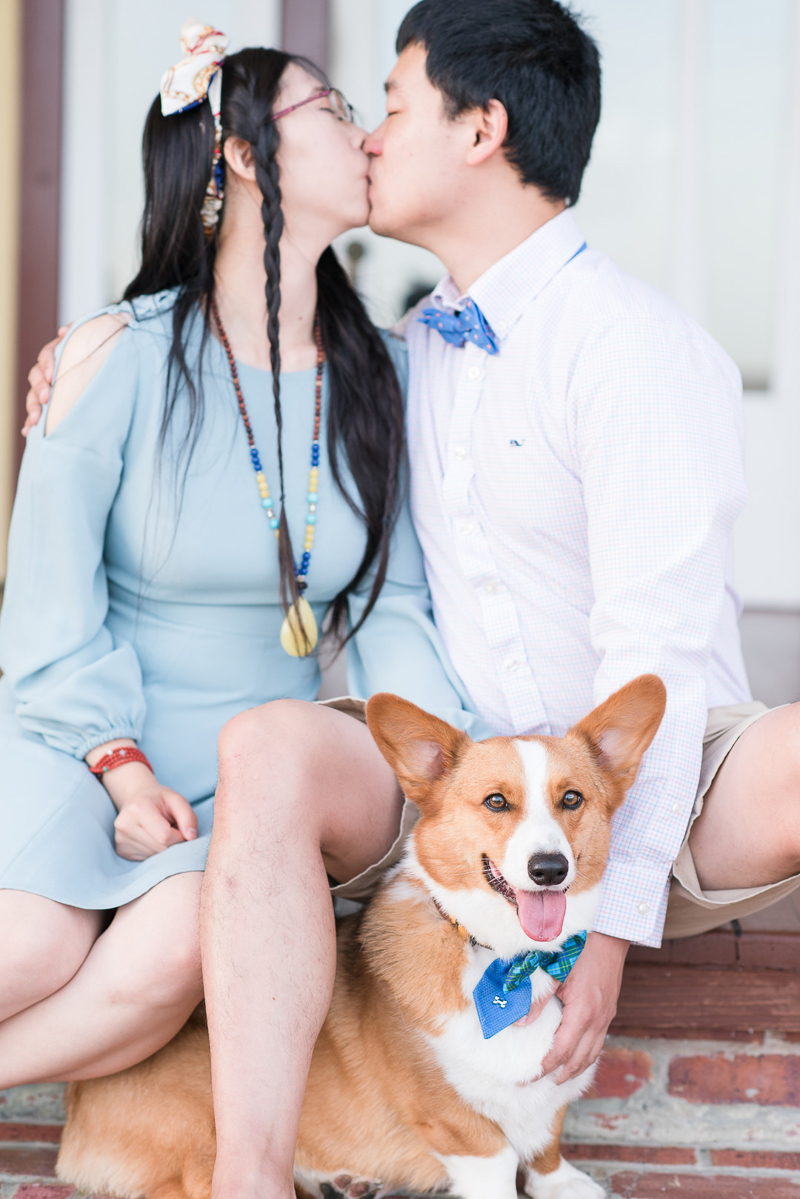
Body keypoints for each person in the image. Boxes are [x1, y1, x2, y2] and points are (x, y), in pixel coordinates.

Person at [23, 3, 800, 1199]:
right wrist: (82, 364)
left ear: (479, 130)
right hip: (391, 765)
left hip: (634, 762)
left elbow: (654, 654)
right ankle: (250, 1178)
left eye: (384, 106)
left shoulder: (604, 349)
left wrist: (600, 928)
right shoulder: (394, 352)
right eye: (346, 112)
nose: (370, 136)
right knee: (244, 771)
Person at [0, 25, 490, 1093]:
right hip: (79, 736)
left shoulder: (385, 376)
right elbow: (43, 607)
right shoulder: (115, 353)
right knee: (30, 946)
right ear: (239, 154)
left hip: (248, 779)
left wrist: (458, 775)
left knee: (182, 944)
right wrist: (122, 768)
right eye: (334, 111)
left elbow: (397, 608)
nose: (365, 135)